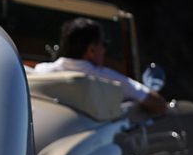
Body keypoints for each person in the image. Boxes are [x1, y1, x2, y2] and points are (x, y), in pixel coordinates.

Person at [32, 17, 169, 115]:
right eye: (103, 45)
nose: (104, 50)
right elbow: (159, 105)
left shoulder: (40, 71)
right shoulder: (111, 80)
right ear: (91, 50)